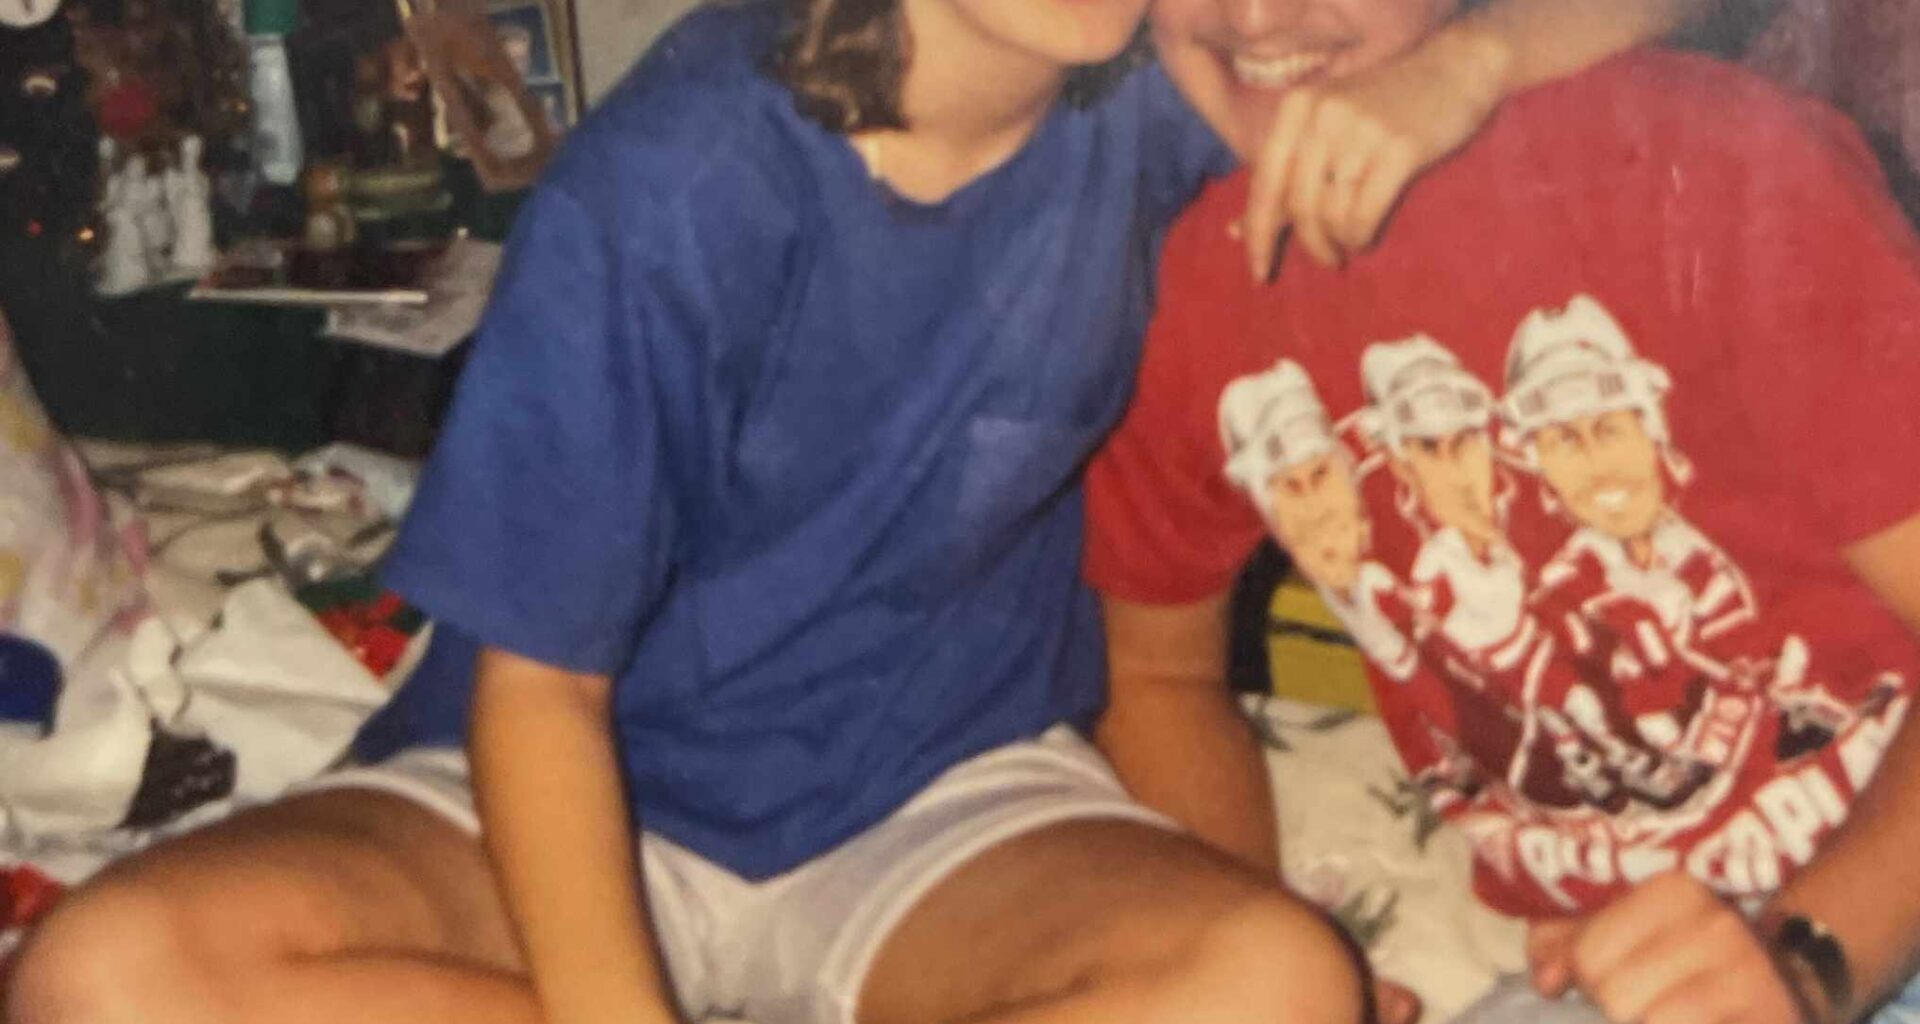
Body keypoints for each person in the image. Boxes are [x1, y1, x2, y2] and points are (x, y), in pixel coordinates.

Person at [6, 3, 1708, 1024]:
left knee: (1276, 982)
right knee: (102, 976)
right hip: (580, 796)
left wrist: (1467, 64)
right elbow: (541, 694)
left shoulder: (1152, 101)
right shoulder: (677, 179)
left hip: (943, 796)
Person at [1085, 0, 1920, 1021]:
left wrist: (1804, 962)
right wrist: (1262, 936)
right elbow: (1158, 674)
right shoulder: (1176, 272)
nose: (1256, 16)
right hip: (1612, 973)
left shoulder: (1719, 166)